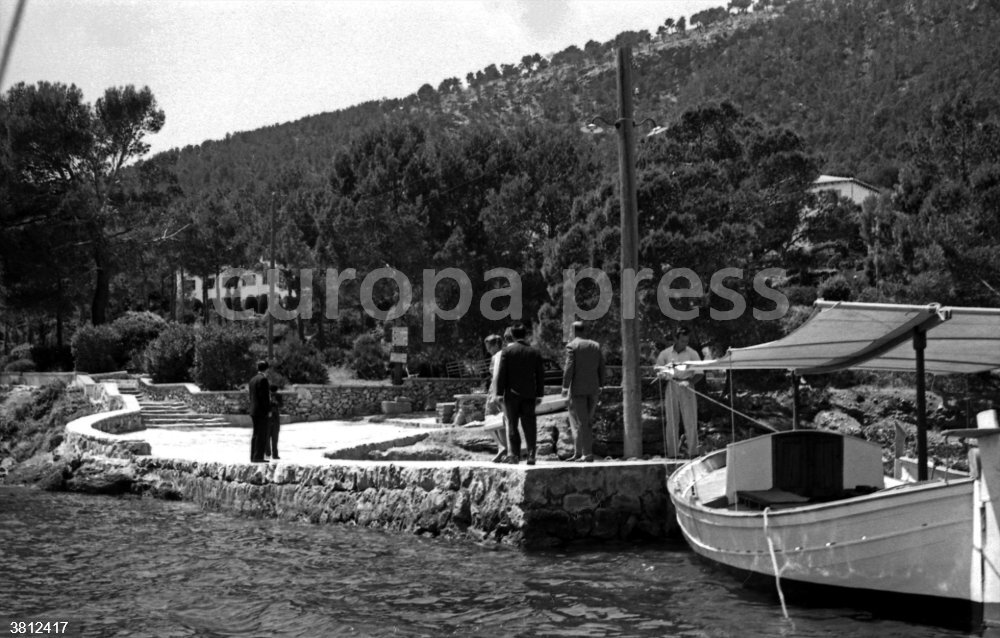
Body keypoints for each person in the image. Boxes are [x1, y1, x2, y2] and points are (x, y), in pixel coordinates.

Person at [496, 323, 545, 465]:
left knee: (513, 424)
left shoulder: (507, 352)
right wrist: (540, 394)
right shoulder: (534, 352)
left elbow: (502, 374)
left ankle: (515, 456)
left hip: (511, 395)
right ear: (526, 334)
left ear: (512, 335)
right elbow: (540, 375)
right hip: (529, 395)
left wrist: (499, 393)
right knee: (530, 424)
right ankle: (531, 455)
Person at [561, 321, 607, 462]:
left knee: (583, 422)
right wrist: (601, 384)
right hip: (593, 389)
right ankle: (579, 452)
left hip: (578, 390)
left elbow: (569, 367)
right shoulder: (595, 345)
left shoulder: (572, 346)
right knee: (585, 421)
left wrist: (565, 386)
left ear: (573, 331)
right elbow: (602, 367)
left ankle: (587, 454)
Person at [656, 327, 703, 458]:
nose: (685, 343)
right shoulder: (665, 354)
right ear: (676, 339)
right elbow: (658, 368)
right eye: (682, 341)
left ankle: (693, 452)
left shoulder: (692, 353)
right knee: (671, 420)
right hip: (672, 385)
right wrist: (662, 374)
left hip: (687, 385)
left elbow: (700, 373)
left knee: (690, 419)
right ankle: (672, 454)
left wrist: (690, 382)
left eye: (687, 341)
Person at [483, 333, 509, 463]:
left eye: (489, 346)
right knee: (501, 421)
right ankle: (504, 449)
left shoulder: (497, 356)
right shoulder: (505, 354)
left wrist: (494, 394)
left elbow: (496, 376)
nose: (488, 350)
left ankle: (501, 446)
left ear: (495, 345)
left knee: (488, 419)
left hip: (495, 390)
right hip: (504, 390)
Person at [248, 360, 271, 463]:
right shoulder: (263, 380)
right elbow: (264, 398)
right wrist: (268, 410)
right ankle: (259, 457)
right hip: (261, 411)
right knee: (261, 434)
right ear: (266, 369)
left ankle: (253, 456)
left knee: (255, 434)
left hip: (253, 410)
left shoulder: (252, 380)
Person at [266, 384, 283, 460]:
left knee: (267, 437)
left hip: (269, 418)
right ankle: (274, 455)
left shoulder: (266, 396)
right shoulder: (277, 396)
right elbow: (281, 405)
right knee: (275, 438)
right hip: (275, 418)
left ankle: (268, 453)